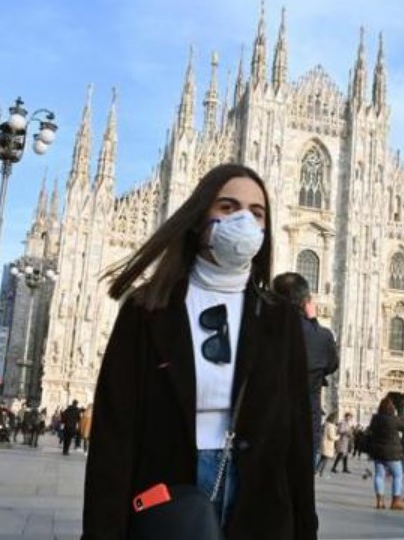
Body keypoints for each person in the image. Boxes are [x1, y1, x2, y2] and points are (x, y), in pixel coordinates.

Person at [82, 163, 317, 540]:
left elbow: (297, 437)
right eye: (227, 207)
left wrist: (305, 529)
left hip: (259, 501)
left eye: (256, 213)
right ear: (197, 218)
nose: (243, 220)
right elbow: (115, 434)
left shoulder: (279, 318)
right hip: (169, 496)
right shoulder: (148, 309)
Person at [272, 271, 339, 464]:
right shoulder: (322, 336)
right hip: (305, 424)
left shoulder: (262, 329)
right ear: (306, 302)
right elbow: (331, 365)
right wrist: (313, 322)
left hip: (268, 423)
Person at [368, 397, 404, 510]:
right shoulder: (394, 419)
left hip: (378, 451)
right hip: (392, 452)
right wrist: (400, 415)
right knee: (398, 475)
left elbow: (371, 430)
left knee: (379, 475)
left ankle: (379, 501)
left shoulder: (375, 419)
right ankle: (395, 501)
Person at [316, 413, 339, 477]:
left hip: (324, 443)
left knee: (322, 458)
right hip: (328, 444)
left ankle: (316, 471)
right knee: (326, 459)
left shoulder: (326, 424)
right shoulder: (330, 426)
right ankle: (321, 472)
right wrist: (338, 437)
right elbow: (331, 436)